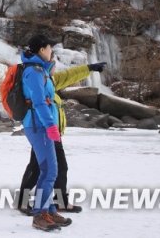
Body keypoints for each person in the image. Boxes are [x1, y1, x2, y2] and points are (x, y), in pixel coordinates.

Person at [17, 60, 107, 215]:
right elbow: (38, 104)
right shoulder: (41, 79)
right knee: (37, 167)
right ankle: (26, 202)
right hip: (43, 131)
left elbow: (69, 75)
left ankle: (59, 202)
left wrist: (89, 68)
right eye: (54, 66)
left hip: (53, 134)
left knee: (53, 167)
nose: (56, 69)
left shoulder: (51, 81)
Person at [20, 35, 71, 231]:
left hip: (42, 125)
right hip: (38, 126)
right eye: (50, 48)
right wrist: (51, 126)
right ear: (42, 49)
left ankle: (47, 209)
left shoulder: (42, 70)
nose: (52, 52)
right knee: (50, 171)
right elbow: (40, 102)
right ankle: (40, 215)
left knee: (48, 170)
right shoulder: (33, 72)